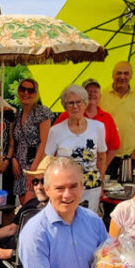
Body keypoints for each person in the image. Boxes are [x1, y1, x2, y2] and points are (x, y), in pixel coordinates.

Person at [40, 84, 107, 212]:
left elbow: (102, 157)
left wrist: (102, 182)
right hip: (65, 188)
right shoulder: (56, 131)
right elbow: (47, 160)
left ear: (85, 103)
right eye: (70, 103)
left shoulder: (98, 127)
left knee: (88, 222)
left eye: (78, 102)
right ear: (65, 106)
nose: (75, 106)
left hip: (91, 186)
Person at [99, 61, 135, 178]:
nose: (122, 77)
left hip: (130, 156)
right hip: (107, 156)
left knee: (130, 191)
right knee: (106, 190)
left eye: (126, 74)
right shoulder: (102, 95)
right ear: (113, 75)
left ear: (131, 76)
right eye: (119, 73)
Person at [54, 79, 120, 160]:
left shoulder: (107, 118)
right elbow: (54, 141)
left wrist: (103, 167)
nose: (92, 94)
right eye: (88, 91)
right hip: (70, 166)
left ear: (100, 95)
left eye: (95, 91)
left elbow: (114, 146)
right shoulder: (66, 115)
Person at [12, 77, 54, 200]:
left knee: (30, 204)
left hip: (36, 163)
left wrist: (33, 169)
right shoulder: (18, 114)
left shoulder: (42, 112)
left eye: (30, 91)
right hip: (20, 166)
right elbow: (15, 141)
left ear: (36, 94)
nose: (26, 93)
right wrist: (14, 159)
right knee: (24, 203)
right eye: (23, 89)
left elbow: (43, 142)